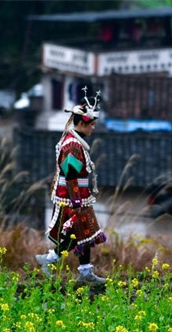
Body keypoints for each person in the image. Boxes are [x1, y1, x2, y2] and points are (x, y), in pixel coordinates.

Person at [36, 87, 107, 284]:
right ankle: (50, 260)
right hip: (71, 198)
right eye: (92, 124)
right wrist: (76, 201)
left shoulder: (77, 142)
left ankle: (85, 271)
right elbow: (70, 175)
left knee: (86, 234)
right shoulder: (72, 146)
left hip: (79, 196)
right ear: (82, 123)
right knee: (74, 234)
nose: (93, 128)